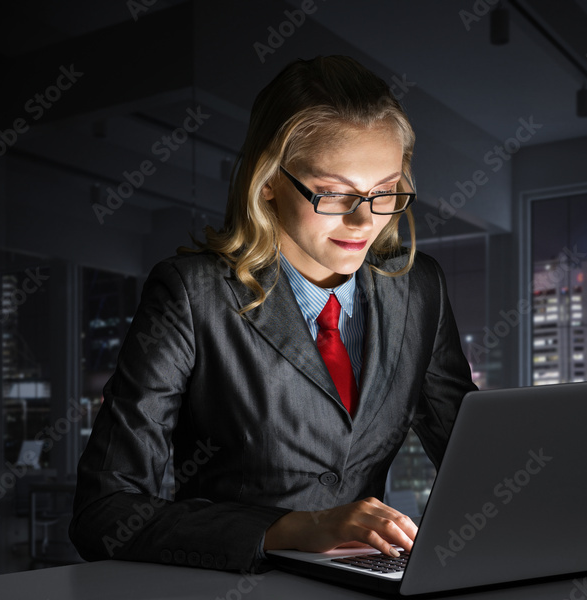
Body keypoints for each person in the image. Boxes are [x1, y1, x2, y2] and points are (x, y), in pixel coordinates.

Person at [68, 55, 477, 574]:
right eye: (332, 193)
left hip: (369, 583)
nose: (363, 220)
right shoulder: (191, 294)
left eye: (384, 192)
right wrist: (285, 529)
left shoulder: (420, 289)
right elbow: (104, 513)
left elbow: (477, 461)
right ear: (267, 183)